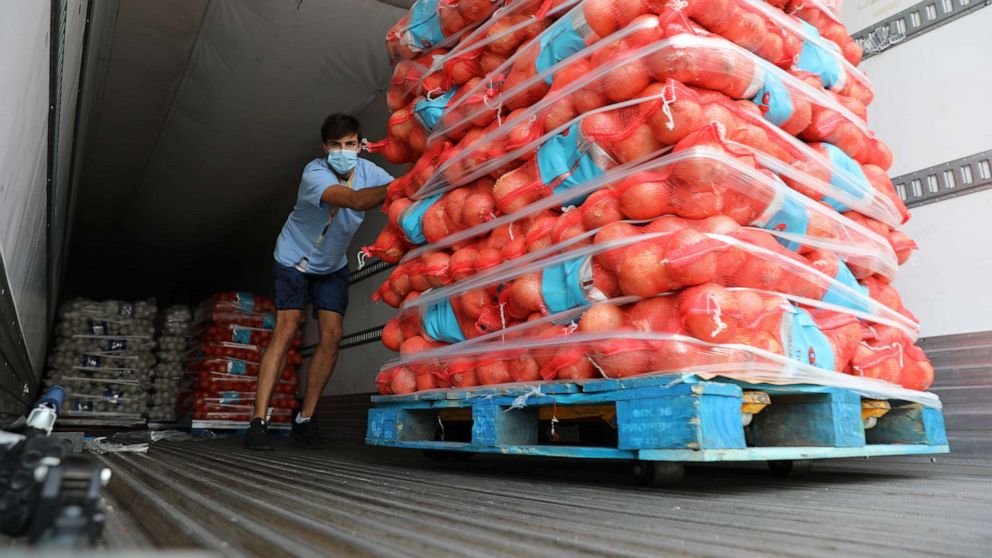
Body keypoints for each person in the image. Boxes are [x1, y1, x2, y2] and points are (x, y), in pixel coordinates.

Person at [245, 114, 393, 450]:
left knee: (332, 335)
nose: (344, 151)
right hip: (293, 259)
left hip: (332, 265)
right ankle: (258, 421)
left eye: (350, 144)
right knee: (287, 327)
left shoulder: (372, 173)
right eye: (337, 145)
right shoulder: (314, 174)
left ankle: (305, 420)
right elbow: (355, 200)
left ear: (360, 145)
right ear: (325, 147)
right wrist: (405, 184)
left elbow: (397, 195)